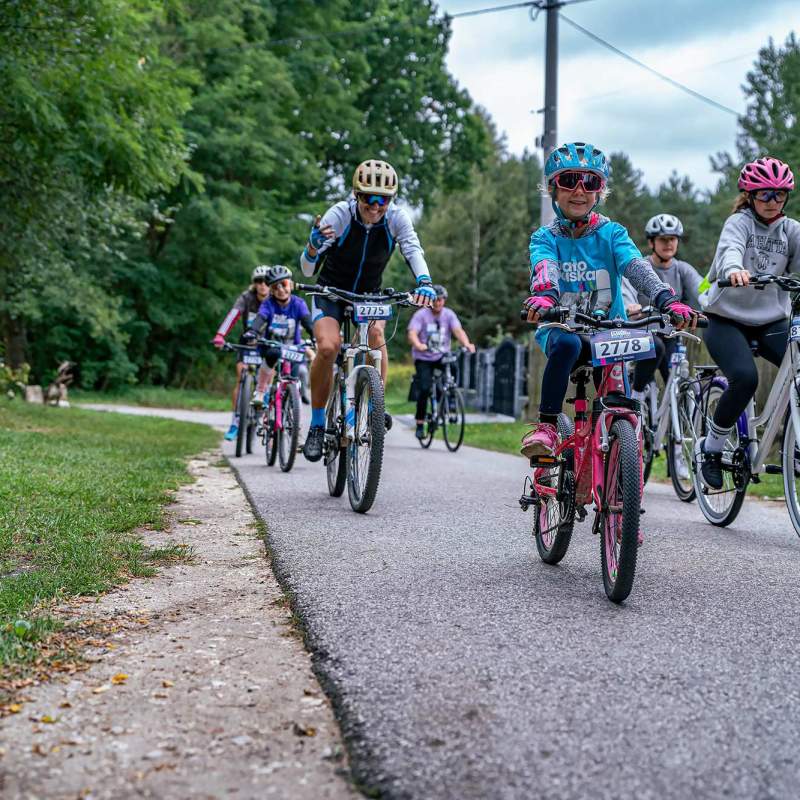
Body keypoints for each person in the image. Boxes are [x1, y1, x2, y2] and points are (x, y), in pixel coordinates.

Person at [520, 141, 695, 458]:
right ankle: (547, 426)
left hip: (608, 332)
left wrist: (666, 299)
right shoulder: (545, 237)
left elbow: (635, 266)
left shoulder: (612, 233)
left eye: (590, 182)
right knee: (567, 344)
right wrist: (545, 297)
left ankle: (618, 457)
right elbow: (545, 268)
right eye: (569, 180)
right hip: (563, 330)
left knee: (618, 404)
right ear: (553, 189)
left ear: (599, 191)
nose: (579, 191)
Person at [299, 159, 436, 461]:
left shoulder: (396, 218)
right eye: (368, 198)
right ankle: (318, 424)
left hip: (368, 295)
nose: (375, 207)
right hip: (331, 292)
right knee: (328, 347)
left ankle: (375, 407)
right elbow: (307, 270)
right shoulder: (339, 214)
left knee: (376, 336)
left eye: (383, 200)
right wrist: (312, 247)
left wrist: (425, 281)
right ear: (356, 195)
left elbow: (412, 249)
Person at [696, 156, 800, 489]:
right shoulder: (738, 223)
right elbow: (730, 250)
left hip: (771, 320)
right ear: (750, 195)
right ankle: (712, 449)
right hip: (726, 319)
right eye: (765, 194)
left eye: (780, 194)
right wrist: (733, 270)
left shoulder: (791, 230)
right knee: (745, 378)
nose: (773, 201)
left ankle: (793, 438)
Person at [407, 285, 476, 439]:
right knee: (424, 388)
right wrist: (418, 345)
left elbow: (458, 331)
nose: (437, 303)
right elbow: (412, 333)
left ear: (444, 300)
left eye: (440, 300)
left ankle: (450, 398)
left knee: (453, 367)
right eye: (435, 300)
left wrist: (467, 344)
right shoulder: (421, 315)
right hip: (424, 357)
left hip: (441, 355)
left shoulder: (449, 315)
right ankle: (420, 423)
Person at [213, 265, 271, 441]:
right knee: (241, 377)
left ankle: (265, 412)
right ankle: (235, 421)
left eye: (266, 281)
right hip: (247, 343)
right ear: (254, 283)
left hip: (268, 344)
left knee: (269, 376)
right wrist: (220, 335)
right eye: (258, 281)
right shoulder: (247, 298)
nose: (262, 285)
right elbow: (233, 315)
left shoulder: (275, 299)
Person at [242, 265, 315, 403]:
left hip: (293, 348)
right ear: (271, 290)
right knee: (272, 354)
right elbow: (260, 318)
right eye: (275, 287)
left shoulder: (299, 304)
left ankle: (290, 407)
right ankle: (260, 391)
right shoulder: (268, 304)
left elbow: (308, 323)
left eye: (284, 284)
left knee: (294, 379)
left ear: (290, 284)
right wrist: (253, 331)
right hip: (272, 347)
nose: (281, 289)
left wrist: (315, 336)